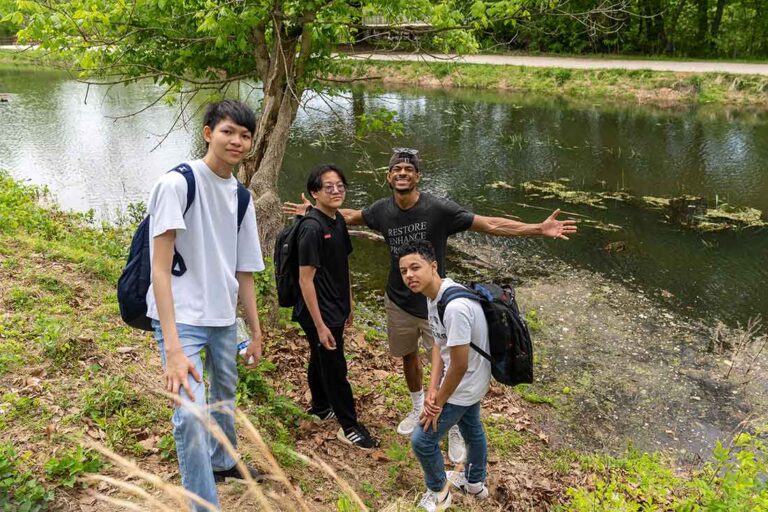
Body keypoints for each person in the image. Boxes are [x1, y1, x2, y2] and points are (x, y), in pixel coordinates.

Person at [284, 148, 576, 463]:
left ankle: (452, 427)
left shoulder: (438, 209)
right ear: (388, 177)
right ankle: (416, 405)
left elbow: (488, 224)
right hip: (398, 301)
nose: (402, 174)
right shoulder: (382, 210)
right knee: (409, 358)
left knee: (451, 364)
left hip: (435, 303)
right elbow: (350, 215)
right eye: (397, 169)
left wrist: (537, 228)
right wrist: (316, 211)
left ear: (418, 176)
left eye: (409, 169)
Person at [146, 100, 265, 511]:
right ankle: (203, 504)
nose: (237, 141)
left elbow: (244, 270)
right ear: (207, 131)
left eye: (245, 135)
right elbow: (159, 271)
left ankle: (222, 461)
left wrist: (256, 330)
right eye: (228, 131)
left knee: (226, 394)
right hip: (182, 317)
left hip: (223, 318)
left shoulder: (242, 197)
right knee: (192, 416)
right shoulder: (177, 184)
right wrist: (174, 349)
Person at [397, 239, 491, 512]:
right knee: (472, 429)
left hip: (466, 382)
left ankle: (439, 492)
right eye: (404, 271)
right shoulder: (433, 295)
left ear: (433, 265)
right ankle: (475, 484)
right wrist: (431, 388)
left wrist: (437, 402)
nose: (409, 275)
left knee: (422, 440)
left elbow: (459, 364)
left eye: (415, 267)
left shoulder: (455, 307)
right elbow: (439, 344)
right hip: (466, 380)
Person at [293, 164, 378, 449]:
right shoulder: (312, 228)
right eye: (328, 186)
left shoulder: (337, 220)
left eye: (340, 185)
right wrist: (319, 325)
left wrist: (350, 302)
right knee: (334, 364)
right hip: (318, 311)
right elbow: (305, 280)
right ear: (315, 191)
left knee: (321, 357)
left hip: (336, 307)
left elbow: (342, 264)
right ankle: (349, 426)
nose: (336, 190)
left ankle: (320, 406)